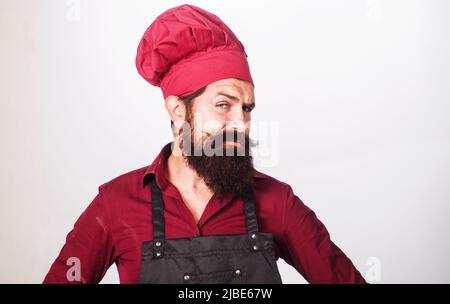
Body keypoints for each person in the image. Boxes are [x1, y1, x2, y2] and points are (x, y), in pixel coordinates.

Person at [43, 4, 366, 284]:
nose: (240, 123)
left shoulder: (277, 202)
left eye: (247, 108)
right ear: (177, 109)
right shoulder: (116, 204)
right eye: (223, 105)